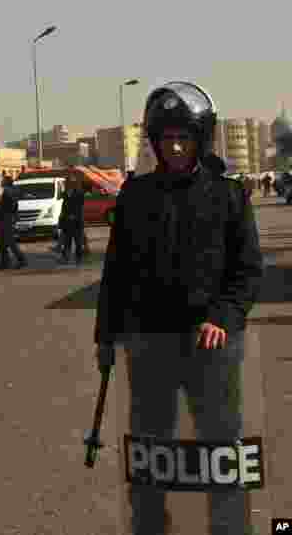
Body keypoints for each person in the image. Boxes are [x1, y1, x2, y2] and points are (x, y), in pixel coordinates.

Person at [95, 81, 263, 534]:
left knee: (220, 452)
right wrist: (105, 337)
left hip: (212, 348)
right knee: (151, 453)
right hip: (149, 348)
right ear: (153, 140)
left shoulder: (230, 196)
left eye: (183, 137)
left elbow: (247, 272)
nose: (174, 146)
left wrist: (223, 318)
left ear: (200, 139)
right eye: (165, 137)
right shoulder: (135, 197)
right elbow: (115, 276)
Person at [0, 175, 26, 269]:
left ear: (6, 182)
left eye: (3, 181)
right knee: (3, 241)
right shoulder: (15, 190)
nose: (1, 182)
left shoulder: (7, 191)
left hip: (5, 217)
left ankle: (21, 259)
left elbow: (4, 204)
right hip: (10, 217)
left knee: (9, 240)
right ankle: (5, 262)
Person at [58, 174, 86, 265]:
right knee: (67, 241)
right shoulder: (65, 193)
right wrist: (62, 217)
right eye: (68, 182)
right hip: (67, 221)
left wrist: (74, 215)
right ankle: (66, 258)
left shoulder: (79, 193)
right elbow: (64, 207)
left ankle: (79, 258)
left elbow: (80, 206)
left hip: (77, 221)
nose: (68, 184)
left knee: (78, 241)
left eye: (70, 182)